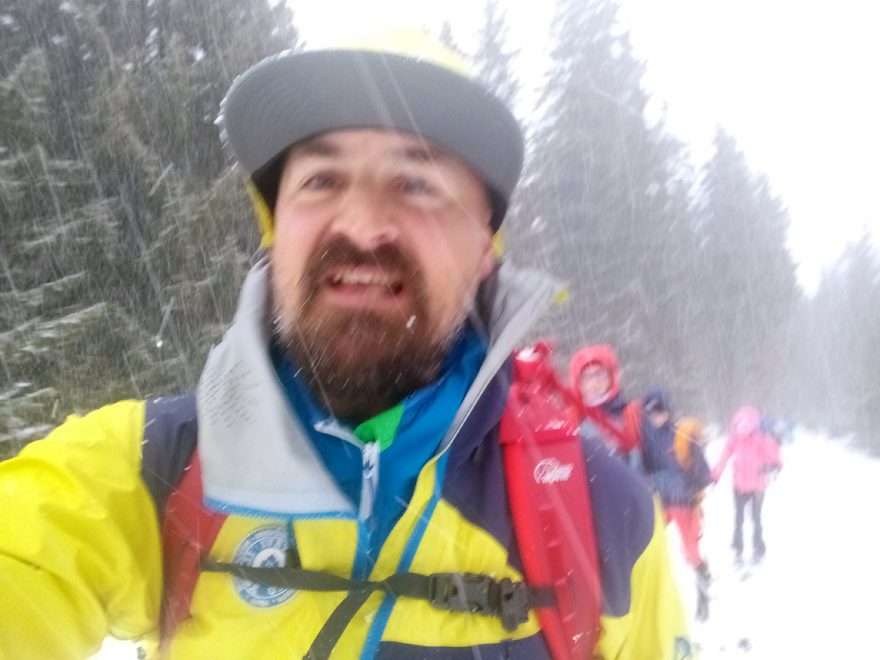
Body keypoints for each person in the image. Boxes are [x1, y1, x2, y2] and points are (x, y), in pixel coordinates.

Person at [0, 34, 690, 659]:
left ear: (486, 246)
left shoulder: (605, 516)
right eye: (321, 181)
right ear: (276, 233)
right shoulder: (151, 469)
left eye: (417, 184)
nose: (361, 225)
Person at [639, 391, 713, 621]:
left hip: (684, 503)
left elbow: (704, 473)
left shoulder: (681, 435)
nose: (656, 417)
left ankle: (703, 593)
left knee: (691, 552)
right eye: (651, 413)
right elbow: (644, 468)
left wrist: (689, 486)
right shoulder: (645, 438)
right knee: (649, 549)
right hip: (662, 503)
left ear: (668, 410)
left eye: (660, 411)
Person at [712, 405, 783, 564]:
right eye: (740, 425)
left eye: (746, 425)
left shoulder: (760, 438)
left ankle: (758, 549)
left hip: (757, 487)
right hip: (738, 486)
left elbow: (773, 456)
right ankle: (738, 549)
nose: (743, 428)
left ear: (753, 424)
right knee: (738, 520)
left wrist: (771, 466)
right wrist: (714, 476)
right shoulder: (734, 439)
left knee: (756, 519)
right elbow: (723, 458)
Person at [568, 344, 642, 466]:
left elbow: (664, 467)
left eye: (599, 374)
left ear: (611, 376)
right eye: (586, 377)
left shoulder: (632, 412)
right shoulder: (569, 419)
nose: (594, 382)